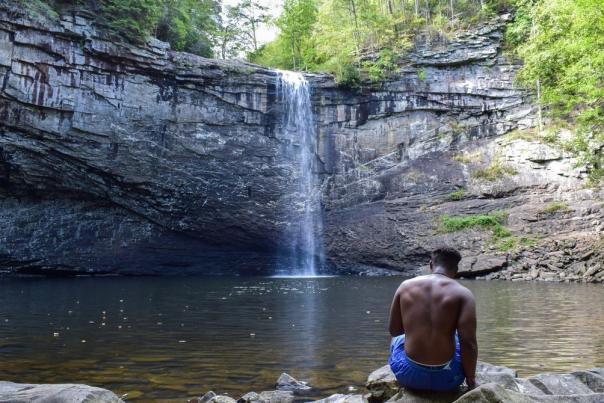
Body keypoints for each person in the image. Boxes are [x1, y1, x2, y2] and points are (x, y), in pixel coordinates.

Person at [387, 247, 477, 392]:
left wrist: (416, 328)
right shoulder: (463, 294)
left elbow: (394, 330)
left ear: (430, 265)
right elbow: (469, 343)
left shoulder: (405, 286)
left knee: (398, 339)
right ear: (455, 269)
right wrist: (471, 379)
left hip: (408, 376)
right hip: (448, 379)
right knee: (457, 338)